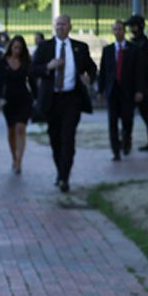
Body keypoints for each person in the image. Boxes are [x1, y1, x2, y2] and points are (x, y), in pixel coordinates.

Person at [32, 15, 97, 195]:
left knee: (68, 138)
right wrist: (48, 66)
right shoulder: (45, 47)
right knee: (55, 138)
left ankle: (64, 177)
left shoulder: (80, 48)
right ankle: (60, 172)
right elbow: (32, 69)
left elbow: (91, 67)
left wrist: (89, 77)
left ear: (70, 27)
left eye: (63, 24)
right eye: (57, 24)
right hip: (52, 99)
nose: (60, 27)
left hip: (72, 99)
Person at [97, 20, 144, 161]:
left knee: (127, 119)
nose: (118, 32)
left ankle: (127, 140)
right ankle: (116, 150)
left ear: (124, 31)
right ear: (112, 31)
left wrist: (139, 90)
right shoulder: (108, 50)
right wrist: (100, 91)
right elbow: (103, 72)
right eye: (115, 29)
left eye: (120, 29)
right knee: (112, 122)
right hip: (112, 91)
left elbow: (138, 72)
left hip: (128, 92)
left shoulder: (133, 49)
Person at [0, 35, 35, 174]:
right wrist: (0, 97)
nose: (17, 50)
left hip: (24, 99)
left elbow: (32, 81)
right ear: (10, 47)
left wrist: (37, 98)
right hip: (9, 100)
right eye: (15, 47)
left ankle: (19, 160)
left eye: (19, 48)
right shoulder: (3, 62)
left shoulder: (26, 62)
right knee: (11, 130)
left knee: (21, 128)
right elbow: (0, 82)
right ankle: (13, 156)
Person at [125, 15, 148, 151]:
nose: (130, 29)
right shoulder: (135, 42)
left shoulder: (144, 43)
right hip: (134, 85)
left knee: (146, 115)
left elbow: (144, 66)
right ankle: (128, 141)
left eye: (132, 26)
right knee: (130, 115)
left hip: (142, 86)